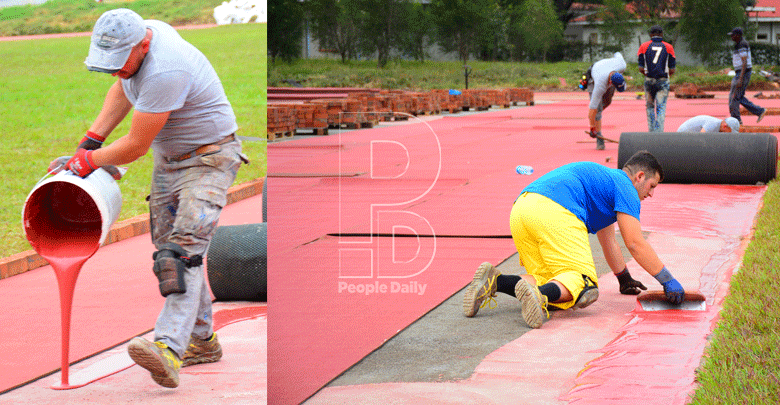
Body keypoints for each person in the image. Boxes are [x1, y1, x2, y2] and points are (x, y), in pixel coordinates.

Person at [49, 8, 248, 388]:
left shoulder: (165, 68)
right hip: (169, 160)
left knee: (182, 253)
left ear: (143, 45)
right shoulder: (143, 40)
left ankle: (168, 347)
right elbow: (122, 88)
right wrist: (90, 143)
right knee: (167, 253)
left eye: (119, 61)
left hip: (210, 159)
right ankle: (202, 342)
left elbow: (136, 145)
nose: (113, 69)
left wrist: (86, 162)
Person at [462, 151, 686, 329]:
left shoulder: (604, 184)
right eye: (652, 186)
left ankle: (494, 281)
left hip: (522, 208)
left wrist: (624, 278)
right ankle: (537, 297)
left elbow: (609, 241)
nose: (651, 194)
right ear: (639, 177)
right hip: (555, 210)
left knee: (551, 280)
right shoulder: (625, 187)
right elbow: (635, 243)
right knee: (584, 284)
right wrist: (667, 280)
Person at [638, 25, 675, 132]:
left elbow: (641, 68)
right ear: (662, 34)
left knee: (649, 107)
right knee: (661, 108)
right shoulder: (668, 47)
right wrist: (666, 76)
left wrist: (647, 75)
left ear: (651, 35)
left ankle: (651, 132)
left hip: (649, 80)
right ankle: (658, 134)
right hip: (663, 80)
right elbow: (672, 69)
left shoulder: (643, 46)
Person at [586, 52, 627, 150]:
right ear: (610, 82)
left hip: (607, 70)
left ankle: (597, 116)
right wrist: (592, 127)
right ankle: (599, 137)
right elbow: (592, 108)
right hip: (593, 77)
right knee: (596, 110)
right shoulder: (600, 85)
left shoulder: (622, 65)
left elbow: (617, 53)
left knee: (608, 102)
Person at [728, 27, 766, 124]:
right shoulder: (739, 44)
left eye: (733, 35)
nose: (731, 37)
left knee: (734, 97)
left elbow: (744, 62)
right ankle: (759, 111)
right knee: (738, 97)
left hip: (742, 73)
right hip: (740, 73)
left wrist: (740, 78)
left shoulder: (741, 44)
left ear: (738, 35)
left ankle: (736, 120)